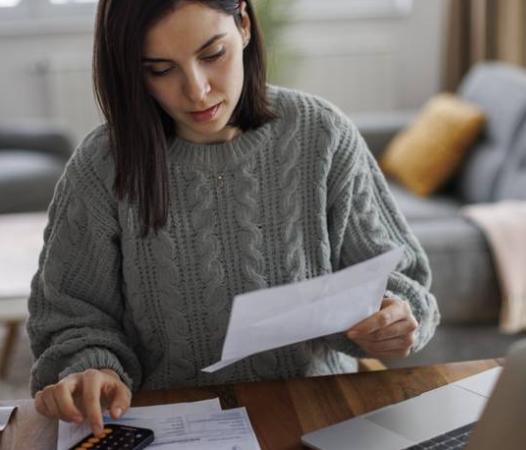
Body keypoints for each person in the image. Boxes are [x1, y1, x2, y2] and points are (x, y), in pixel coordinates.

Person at [28, 0, 440, 436]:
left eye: (212, 54)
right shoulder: (102, 166)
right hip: (170, 427)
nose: (197, 90)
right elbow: (69, 316)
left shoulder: (322, 134)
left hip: (319, 418)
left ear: (243, 24)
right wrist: (93, 368)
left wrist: (396, 316)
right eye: (161, 69)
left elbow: (404, 279)